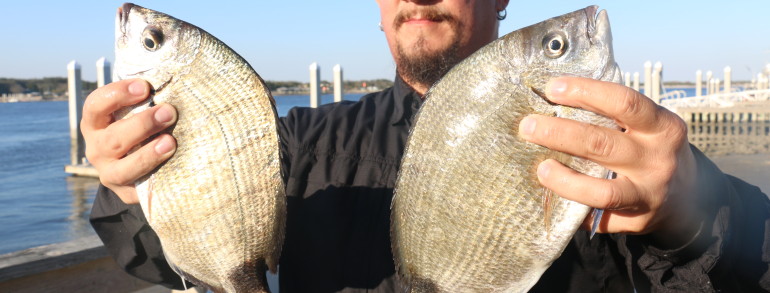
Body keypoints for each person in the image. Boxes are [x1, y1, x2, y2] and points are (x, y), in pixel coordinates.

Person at [84, 0, 770, 292]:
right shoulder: (296, 146)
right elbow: (173, 259)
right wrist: (133, 186)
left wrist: (690, 213)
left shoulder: (605, 146)